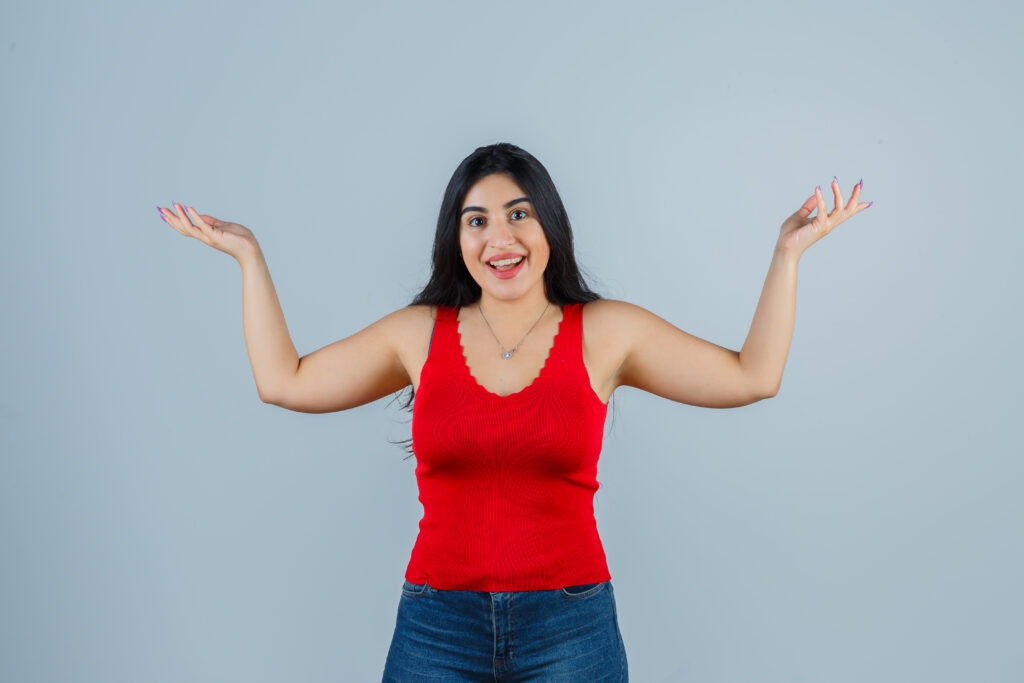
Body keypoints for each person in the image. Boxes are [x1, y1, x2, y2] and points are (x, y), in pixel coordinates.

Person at [157, 142, 871, 681]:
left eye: (518, 214)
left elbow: (753, 375)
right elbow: (285, 380)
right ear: (456, 238)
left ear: (548, 225)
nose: (499, 239)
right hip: (437, 625)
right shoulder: (419, 333)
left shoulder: (606, 331)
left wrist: (787, 256)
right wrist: (249, 259)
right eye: (477, 221)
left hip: (571, 628)